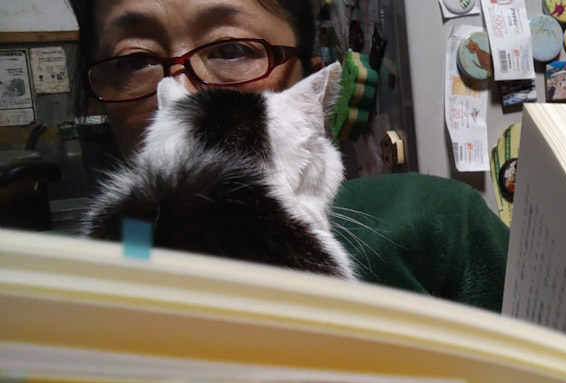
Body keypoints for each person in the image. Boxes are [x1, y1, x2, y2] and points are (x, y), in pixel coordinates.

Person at [69, 0, 509, 312]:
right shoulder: (58, 280)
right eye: (134, 61)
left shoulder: (437, 222)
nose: (184, 90)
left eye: (230, 49)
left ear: (307, 73)